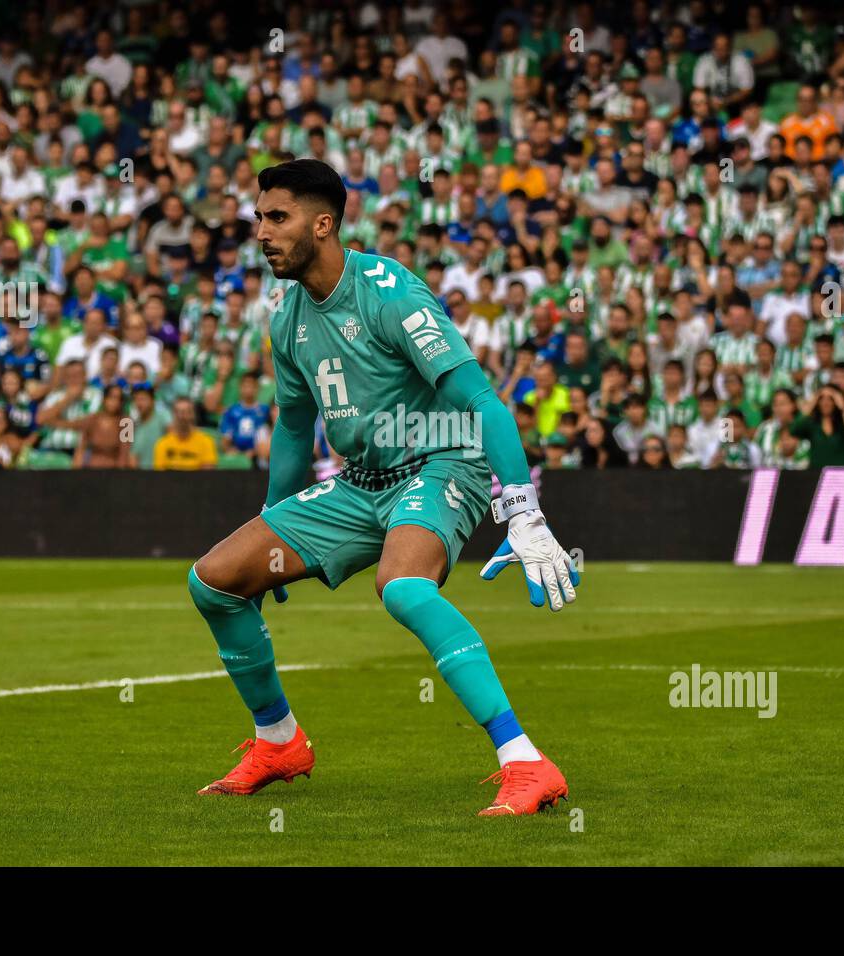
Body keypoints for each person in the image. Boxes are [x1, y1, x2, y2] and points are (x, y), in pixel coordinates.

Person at [187, 160, 578, 816]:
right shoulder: (287, 321)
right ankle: (279, 741)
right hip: (358, 484)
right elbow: (292, 429)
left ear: (324, 223)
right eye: (258, 217)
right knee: (216, 580)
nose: (261, 232)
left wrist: (522, 509)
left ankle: (526, 762)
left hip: (441, 466)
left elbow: (481, 400)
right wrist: (274, 522)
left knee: (401, 587)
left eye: (276, 217)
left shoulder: (390, 291)